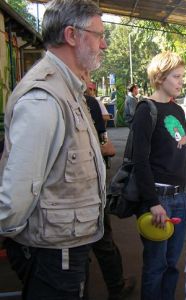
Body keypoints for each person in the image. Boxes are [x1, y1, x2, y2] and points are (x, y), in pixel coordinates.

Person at [0, 0, 107, 299]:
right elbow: (15, 196)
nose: (104, 43)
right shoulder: (44, 98)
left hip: (63, 247)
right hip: (51, 254)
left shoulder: (67, 88)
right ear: (72, 36)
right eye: (98, 35)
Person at [131, 51, 186, 300]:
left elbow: (185, 152)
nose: (181, 82)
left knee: (171, 265)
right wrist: (153, 202)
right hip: (159, 201)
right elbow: (140, 161)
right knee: (156, 266)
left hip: (181, 199)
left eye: (181, 76)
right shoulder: (146, 111)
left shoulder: (178, 110)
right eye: (176, 76)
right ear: (159, 77)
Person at [82, 73, 134, 300]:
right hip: (90, 184)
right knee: (102, 239)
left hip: (82, 186)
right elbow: (107, 145)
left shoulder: (83, 103)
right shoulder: (89, 103)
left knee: (82, 247)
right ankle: (116, 286)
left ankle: (111, 286)